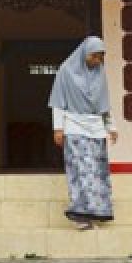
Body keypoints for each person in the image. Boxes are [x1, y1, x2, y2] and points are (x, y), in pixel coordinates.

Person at [48, 35, 118, 230]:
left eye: (100, 57)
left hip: (96, 129)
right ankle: (80, 215)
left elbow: (104, 103)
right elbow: (58, 103)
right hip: (74, 127)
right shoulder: (66, 71)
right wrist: (58, 128)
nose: (97, 61)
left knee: (97, 173)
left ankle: (96, 212)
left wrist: (111, 127)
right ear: (84, 53)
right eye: (94, 56)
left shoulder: (99, 73)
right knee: (80, 171)